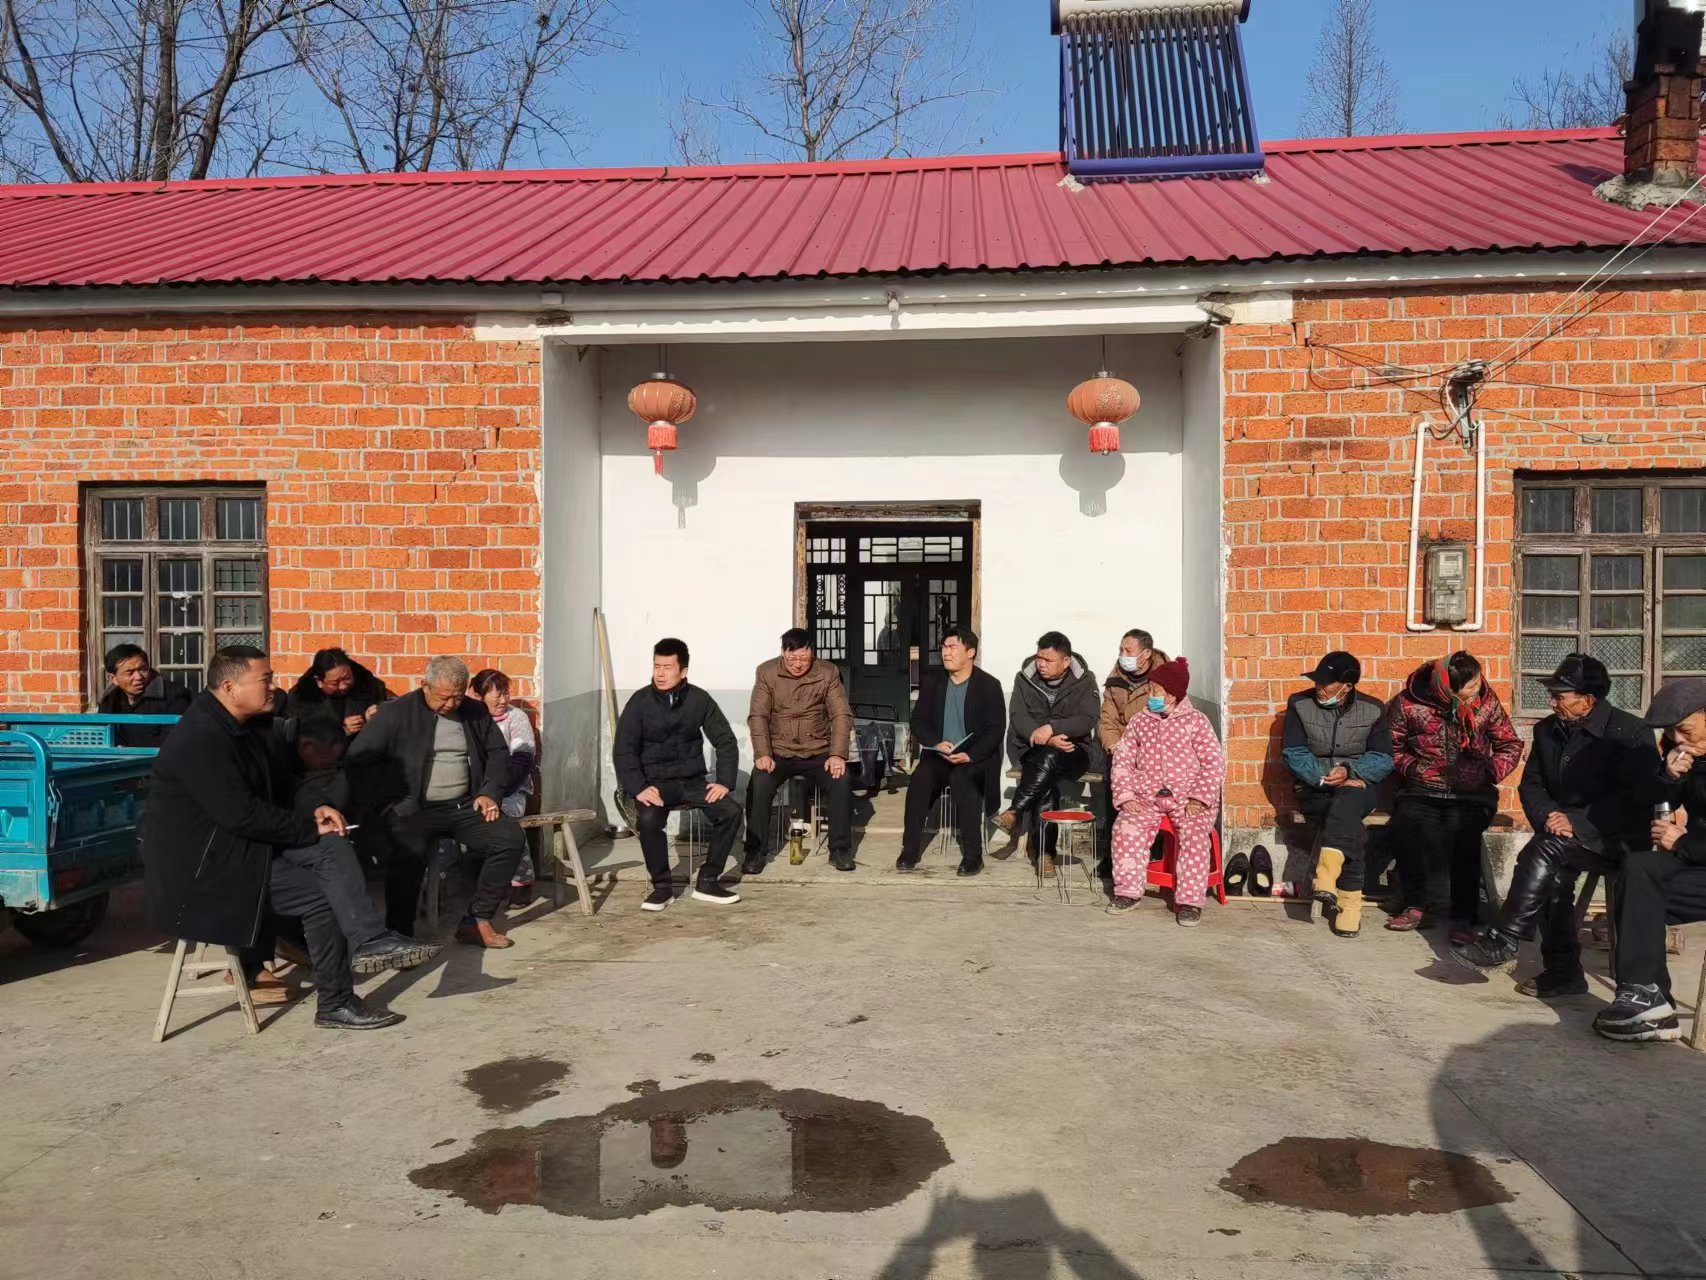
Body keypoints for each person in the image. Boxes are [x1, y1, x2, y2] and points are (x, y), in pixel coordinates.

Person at [142, 646, 403, 1030]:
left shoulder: (250, 725)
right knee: (321, 891)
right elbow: (240, 814)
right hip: (203, 874)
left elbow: (283, 785)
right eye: (264, 680)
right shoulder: (201, 739)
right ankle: (339, 996)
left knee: (331, 844)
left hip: (244, 850)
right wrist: (306, 828)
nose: (273, 688)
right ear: (229, 687)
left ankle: (368, 941)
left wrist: (316, 810)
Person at [1453, 655, 1660, 993]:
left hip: (1615, 838)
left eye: (1559, 696)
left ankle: (1507, 941)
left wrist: (1576, 822)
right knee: (1552, 864)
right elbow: (1532, 785)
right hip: (1561, 837)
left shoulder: (1630, 733)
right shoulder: (1547, 731)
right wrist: (1550, 816)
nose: (1552, 702)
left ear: (1587, 700)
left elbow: (1635, 798)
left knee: (1546, 852)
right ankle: (1561, 971)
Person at [345, 656, 527, 949]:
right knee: (406, 854)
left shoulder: (474, 711)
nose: (450, 704)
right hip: (412, 809)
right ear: (425, 686)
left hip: (464, 805)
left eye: (458, 696)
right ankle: (400, 935)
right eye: (443, 697)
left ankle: (477, 920)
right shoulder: (395, 713)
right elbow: (359, 759)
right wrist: (386, 803)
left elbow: (497, 753)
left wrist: (488, 792)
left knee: (509, 838)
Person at [1593, 678, 1706, 1043]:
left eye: (1685, 729)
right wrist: (1669, 777)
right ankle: (1648, 995)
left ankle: (1649, 999)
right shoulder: (1689, 753)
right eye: (1671, 732)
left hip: (1696, 857)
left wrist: (1684, 842)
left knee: (1643, 891)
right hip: (1697, 866)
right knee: (1639, 871)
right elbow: (1656, 801)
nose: (1678, 739)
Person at [281, 718, 439, 973]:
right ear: (306, 746)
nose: (330, 766)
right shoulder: (276, 765)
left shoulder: (345, 773)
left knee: (406, 849)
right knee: (332, 873)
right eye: (327, 760)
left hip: (344, 832)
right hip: (285, 846)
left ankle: (392, 936)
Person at [1385, 652, 1523, 940]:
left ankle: (1465, 915)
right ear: (1448, 688)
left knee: (1464, 834)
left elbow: (1509, 744)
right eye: (1470, 686)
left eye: (1477, 682)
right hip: (1422, 789)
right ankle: (1416, 904)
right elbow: (1391, 747)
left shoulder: (1486, 702)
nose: (1477, 688)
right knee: (1408, 826)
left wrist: (1488, 773)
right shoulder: (1409, 703)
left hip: (1473, 793)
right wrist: (1414, 769)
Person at [612, 638, 743, 912]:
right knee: (648, 820)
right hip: (654, 783)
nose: (660, 674)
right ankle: (662, 887)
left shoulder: (699, 699)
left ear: (683, 671)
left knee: (730, 811)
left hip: (691, 781)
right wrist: (638, 787)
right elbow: (624, 750)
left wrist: (724, 781)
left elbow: (725, 740)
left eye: (667, 667)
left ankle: (708, 881)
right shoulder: (640, 702)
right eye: (656, 666)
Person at [1282, 651, 1395, 939]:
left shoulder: (1372, 709)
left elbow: (1383, 758)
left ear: (1347, 686)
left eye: (1326, 683)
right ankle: (1349, 907)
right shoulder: (1300, 704)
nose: (1319, 688)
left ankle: (1327, 876)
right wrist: (1324, 778)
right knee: (1348, 824)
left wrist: (1350, 771)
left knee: (1346, 804)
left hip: (1357, 785)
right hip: (1315, 787)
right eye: (1317, 681)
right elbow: (1294, 753)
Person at [1107, 657, 1225, 926]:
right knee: (1125, 829)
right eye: (1150, 689)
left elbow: (1213, 762)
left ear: (1172, 694)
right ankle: (1127, 892)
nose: (1150, 695)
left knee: (1195, 836)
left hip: (1188, 798)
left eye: (1155, 691)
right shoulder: (1140, 721)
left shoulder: (1196, 722)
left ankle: (1190, 902)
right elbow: (1123, 760)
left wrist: (1199, 799)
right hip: (1145, 796)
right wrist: (1125, 797)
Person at [742, 628, 856, 875]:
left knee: (841, 779)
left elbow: (841, 714)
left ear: (811, 653)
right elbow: (758, 715)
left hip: (818, 750)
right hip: (779, 751)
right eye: (792, 658)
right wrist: (763, 753)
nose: (797, 664)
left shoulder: (828, 672)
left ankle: (840, 850)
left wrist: (837, 754)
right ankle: (755, 851)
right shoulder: (766, 672)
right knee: (759, 783)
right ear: (783, 653)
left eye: (803, 658)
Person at [897, 627, 1007, 877]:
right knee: (920, 778)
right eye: (944, 647)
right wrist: (936, 743)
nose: (945, 653)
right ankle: (910, 849)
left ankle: (973, 855)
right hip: (940, 755)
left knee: (962, 779)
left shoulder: (989, 685)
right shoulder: (934, 681)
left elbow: (995, 729)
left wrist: (971, 755)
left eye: (952, 647)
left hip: (973, 758)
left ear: (970, 652)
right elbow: (918, 721)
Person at [1000, 631, 1103, 873]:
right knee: (1046, 776)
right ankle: (1045, 854)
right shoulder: (1024, 678)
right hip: (1031, 747)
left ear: (1066, 661)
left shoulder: (1085, 680)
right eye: (1039, 658)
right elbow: (1018, 716)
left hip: (1073, 750)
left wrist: (1053, 728)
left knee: (1045, 764)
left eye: (1048, 660)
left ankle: (1016, 810)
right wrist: (1046, 738)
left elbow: (1087, 718)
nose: (1041, 664)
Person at [470, 668, 539, 906]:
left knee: (506, 822)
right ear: (478, 696)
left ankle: (522, 880)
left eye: (506, 693)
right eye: (497, 694)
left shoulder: (515, 718)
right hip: (477, 791)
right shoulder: (470, 720)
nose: (503, 700)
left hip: (511, 791)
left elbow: (523, 760)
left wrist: (496, 792)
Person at [95, 643, 192, 747]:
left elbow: (177, 739)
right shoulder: (110, 698)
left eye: (143, 669)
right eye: (129, 672)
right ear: (113, 678)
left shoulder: (174, 695)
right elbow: (100, 736)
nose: (138, 677)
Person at [285, 647, 391, 738]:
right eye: (334, 683)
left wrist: (372, 720)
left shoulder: (369, 685)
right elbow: (301, 736)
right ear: (319, 682)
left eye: (347, 678)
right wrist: (341, 731)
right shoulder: (301, 698)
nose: (343, 686)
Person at [1097, 629, 1170, 754]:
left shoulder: (1166, 681)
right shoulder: (1114, 681)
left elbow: (1169, 721)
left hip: (1154, 749)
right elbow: (1107, 720)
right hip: (1120, 746)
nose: (1123, 655)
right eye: (1121, 650)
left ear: (1146, 653)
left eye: (1128, 651)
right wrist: (1114, 746)